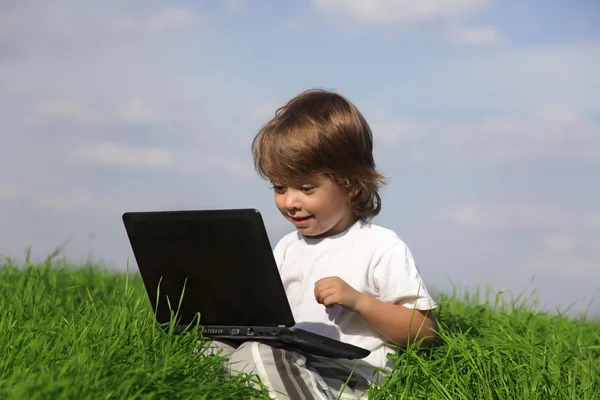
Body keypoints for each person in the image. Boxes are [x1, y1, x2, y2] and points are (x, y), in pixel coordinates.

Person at [207, 89, 438, 400]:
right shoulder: (288, 247)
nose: (289, 202)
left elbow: (423, 332)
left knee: (262, 356)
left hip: (348, 379)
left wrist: (359, 301)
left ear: (350, 183)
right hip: (292, 362)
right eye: (279, 187)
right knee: (210, 350)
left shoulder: (380, 246)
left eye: (306, 188)